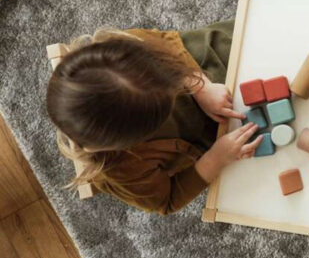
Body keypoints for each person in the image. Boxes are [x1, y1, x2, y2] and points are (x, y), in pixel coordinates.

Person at [46, 22, 262, 214]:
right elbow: (168, 200)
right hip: (203, 140)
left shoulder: (121, 49)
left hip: (195, 70)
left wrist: (200, 86)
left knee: (252, 37)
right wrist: (216, 158)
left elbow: (165, 48)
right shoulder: (121, 168)